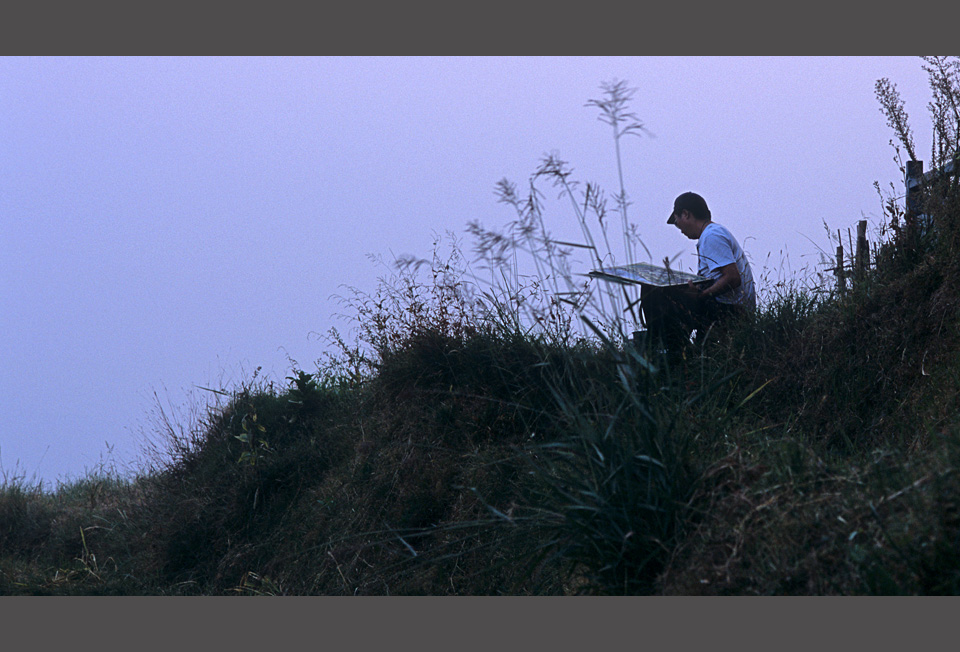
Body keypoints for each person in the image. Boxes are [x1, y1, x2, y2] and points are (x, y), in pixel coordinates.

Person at [642, 191, 755, 350]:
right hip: (727, 307)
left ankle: (666, 350)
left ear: (686, 214)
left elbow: (733, 278)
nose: (680, 229)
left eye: (677, 221)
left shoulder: (712, 235)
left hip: (731, 311)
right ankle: (677, 348)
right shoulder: (711, 234)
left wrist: (701, 295)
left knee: (652, 290)